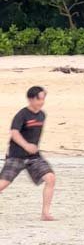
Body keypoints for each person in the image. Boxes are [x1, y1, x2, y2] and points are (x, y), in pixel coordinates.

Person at [0, 86, 56, 221]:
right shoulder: (22, 115)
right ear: (31, 99)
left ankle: (45, 213)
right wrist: (26, 145)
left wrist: (33, 147)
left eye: (43, 99)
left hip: (34, 157)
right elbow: (14, 133)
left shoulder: (42, 115)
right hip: (16, 155)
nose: (42, 102)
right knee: (2, 184)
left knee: (50, 178)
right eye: (39, 99)